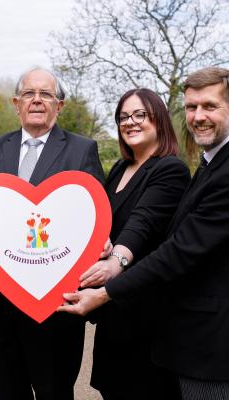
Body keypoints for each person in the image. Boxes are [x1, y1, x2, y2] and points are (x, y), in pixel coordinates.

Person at [59, 66, 229, 399]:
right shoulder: (205, 163)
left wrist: (113, 271)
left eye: (209, 106)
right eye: (192, 107)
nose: (198, 115)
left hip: (199, 332)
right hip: (137, 315)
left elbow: (161, 235)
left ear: (159, 120)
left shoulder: (176, 168)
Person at [0, 67, 105, 400]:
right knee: (7, 390)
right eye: (28, 94)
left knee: (54, 391)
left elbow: (95, 211)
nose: (36, 100)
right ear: (16, 103)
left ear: (59, 105)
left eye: (46, 94)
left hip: (55, 304)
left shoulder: (82, 150)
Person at [77, 88, 190, 399]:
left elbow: (143, 222)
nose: (130, 122)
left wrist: (116, 262)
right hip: (114, 308)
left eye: (140, 114)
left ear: (159, 120)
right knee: (114, 388)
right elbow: (101, 223)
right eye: (123, 117)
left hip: (147, 313)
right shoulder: (120, 169)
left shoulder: (170, 169)